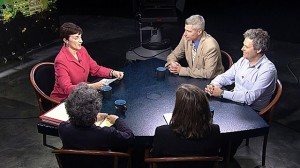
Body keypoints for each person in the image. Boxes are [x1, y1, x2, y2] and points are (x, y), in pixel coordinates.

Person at [205, 28, 277, 112]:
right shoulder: (243, 60)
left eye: (246, 47)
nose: (242, 49)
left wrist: (222, 93)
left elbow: (249, 98)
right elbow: (225, 77)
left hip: (251, 111)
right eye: (243, 45)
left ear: (259, 49)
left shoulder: (268, 70)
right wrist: (213, 85)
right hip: (235, 102)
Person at [50, 22, 124, 102]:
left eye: (80, 37)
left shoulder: (82, 50)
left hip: (82, 94)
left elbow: (96, 69)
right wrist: (91, 86)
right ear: (65, 40)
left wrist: (112, 72)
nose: (81, 41)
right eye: (76, 38)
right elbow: (67, 88)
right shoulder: (60, 60)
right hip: (65, 99)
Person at [151, 84, 221, 166]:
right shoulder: (214, 130)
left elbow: (155, 155)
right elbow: (214, 155)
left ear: (179, 109)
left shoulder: (162, 132)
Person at [58, 83, 134, 151]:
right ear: (96, 108)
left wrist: (93, 117)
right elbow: (129, 137)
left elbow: (72, 119)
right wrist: (117, 120)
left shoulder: (63, 128)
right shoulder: (107, 133)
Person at [165, 14, 224, 79]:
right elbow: (174, 55)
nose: (185, 34)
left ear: (199, 32)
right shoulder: (186, 37)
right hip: (193, 77)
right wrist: (172, 63)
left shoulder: (210, 46)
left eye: (189, 31)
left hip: (212, 82)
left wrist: (181, 70)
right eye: (185, 30)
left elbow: (208, 74)